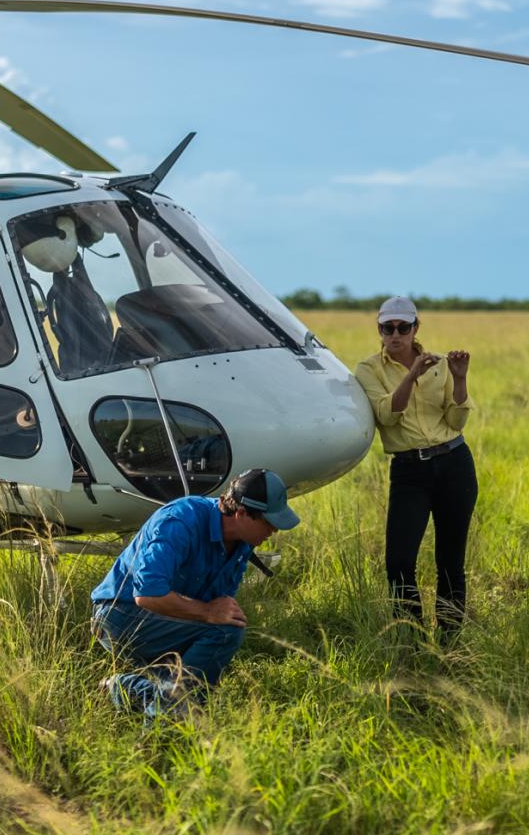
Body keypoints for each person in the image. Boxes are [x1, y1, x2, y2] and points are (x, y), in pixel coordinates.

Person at [90, 468, 300, 718]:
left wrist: (212, 615)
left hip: (168, 618)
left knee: (193, 688)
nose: (274, 531)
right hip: (120, 616)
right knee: (224, 633)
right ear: (242, 513)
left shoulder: (243, 543)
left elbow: (220, 602)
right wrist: (208, 612)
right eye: (268, 522)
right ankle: (160, 731)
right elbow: (147, 595)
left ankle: (122, 689)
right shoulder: (180, 520)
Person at [352, 295, 476, 637]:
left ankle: (450, 640)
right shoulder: (368, 369)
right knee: (399, 562)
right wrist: (411, 377)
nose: (395, 335)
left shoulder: (440, 366)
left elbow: (456, 420)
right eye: (387, 328)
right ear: (378, 329)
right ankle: (412, 638)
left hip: (454, 463)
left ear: (415, 328)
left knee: (450, 561)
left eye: (402, 327)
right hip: (410, 471)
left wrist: (461, 378)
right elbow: (387, 416)